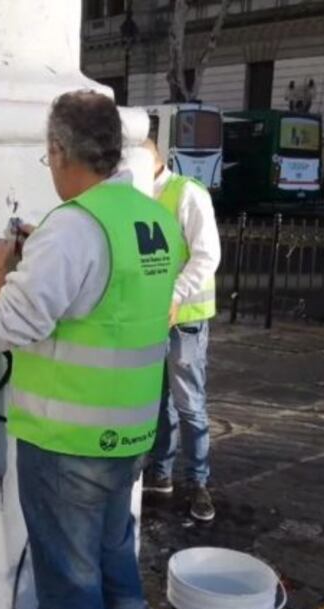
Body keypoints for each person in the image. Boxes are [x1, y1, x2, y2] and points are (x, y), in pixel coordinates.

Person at [0, 91, 183, 609]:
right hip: (130, 435)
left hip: (69, 448)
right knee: (117, 572)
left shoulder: (72, 228)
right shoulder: (151, 218)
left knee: (71, 599)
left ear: (60, 150)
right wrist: (43, 253)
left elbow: (5, 328)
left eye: (49, 159)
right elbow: (111, 302)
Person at [141, 139, 221, 523]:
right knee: (159, 400)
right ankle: (160, 474)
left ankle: (198, 483)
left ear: (153, 158)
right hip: (151, 318)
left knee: (189, 402)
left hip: (184, 317)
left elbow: (207, 254)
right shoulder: (137, 195)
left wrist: (174, 295)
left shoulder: (185, 193)